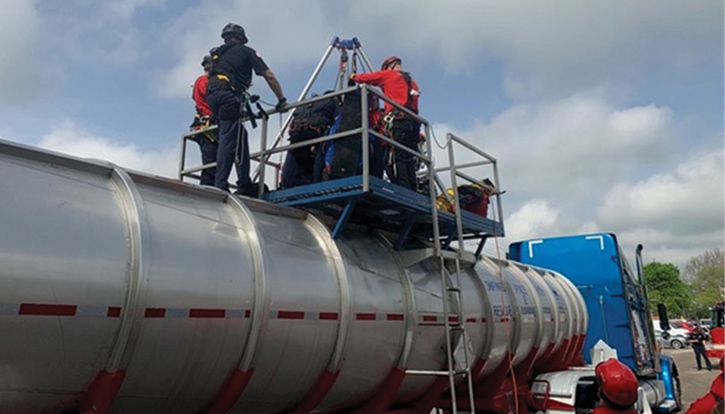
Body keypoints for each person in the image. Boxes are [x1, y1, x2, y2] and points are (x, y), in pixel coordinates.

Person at [205, 23, 287, 196]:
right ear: (241, 39)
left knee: (240, 135)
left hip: (212, 96)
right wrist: (281, 100)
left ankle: (244, 181)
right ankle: (220, 184)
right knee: (228, 138)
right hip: (228, 96)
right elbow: (269, 76)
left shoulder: (217, 54)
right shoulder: (247, 52)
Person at [350, 56, 421, 190]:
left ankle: (404, 190)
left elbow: (368, 78)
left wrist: (354, 76)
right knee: (409, 158)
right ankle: (413, 189)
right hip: (414, 122)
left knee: (397, 158)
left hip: (399, 120)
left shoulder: (389, 75)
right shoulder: (412, 82)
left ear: (389, 66)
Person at [190, 55, 218, 186]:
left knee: (215, 165)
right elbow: (213, 96)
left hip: (209, 128)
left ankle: (213, 186)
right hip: (207, 129)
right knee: (210, 166)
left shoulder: (203, 81)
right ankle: (208, 189)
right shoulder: (204, 81)